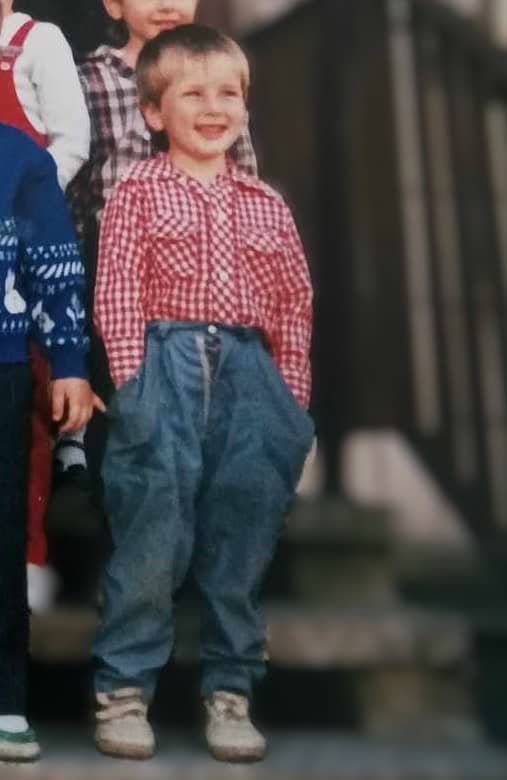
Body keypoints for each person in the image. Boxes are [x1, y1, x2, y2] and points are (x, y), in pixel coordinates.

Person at [92, 24, 314, 764]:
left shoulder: (265, 204)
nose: (213, 106)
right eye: (193, 93)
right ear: (155, 113)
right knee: (154, 530)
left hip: (252, 373)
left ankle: (230, 690)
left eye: (229, 92)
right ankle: (124, 689)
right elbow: (118, 285)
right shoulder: (137, 190)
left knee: (241, 532)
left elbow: (291, 302)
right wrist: (131, 383)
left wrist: (290, 403)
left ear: (245, 106)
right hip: (166, 360)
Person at [0, 122, 104, 763]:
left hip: (4, 365)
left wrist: (68, 361)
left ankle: (6, 696)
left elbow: (54, 263)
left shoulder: (17, 156)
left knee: (4, 531)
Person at [0, 0, 91, 611]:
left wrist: (23, 199)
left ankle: (25, 559)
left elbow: (71, 142)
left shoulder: (36, 41)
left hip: (21, 237)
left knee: (22, 411)